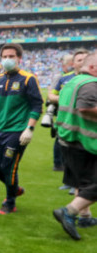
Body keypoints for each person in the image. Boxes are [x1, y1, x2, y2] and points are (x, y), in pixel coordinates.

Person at [0, 43, 43, 215]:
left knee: (9, 166)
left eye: (11, 56)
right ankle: (14, 188)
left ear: (19, 58)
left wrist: (29, 129)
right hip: (1, 131)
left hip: (18, 131)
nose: (7, 60)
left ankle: (10, 202)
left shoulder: (28, 79)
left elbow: (37, 105)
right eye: (4, 57)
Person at [53, 51, 97, 240]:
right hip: (82, 142)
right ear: (93, 68)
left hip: (68, 139)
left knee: (83, 182)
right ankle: (69, 212)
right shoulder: (89, 84)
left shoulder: (72, 81)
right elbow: (85, 108)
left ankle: (85, 217)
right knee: (93, 184)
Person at [48, 49, 89, 192]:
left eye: (85, 59)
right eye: (79, 60)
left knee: (81, 152)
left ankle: (78, 185)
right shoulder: (65, 78)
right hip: (65, 119)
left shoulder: (92, 80)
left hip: (85, 121)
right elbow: (50, 96)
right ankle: (70, 182)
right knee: (67, 150)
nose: (82, 62)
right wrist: (66, 98)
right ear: (74, 64)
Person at [44, 53, 73, 172]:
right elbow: (51, 94)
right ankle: (58, 163)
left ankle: (64, 162)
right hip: (61, 111)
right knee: (60, 136)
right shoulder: (60, 78)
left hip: (68, 111)